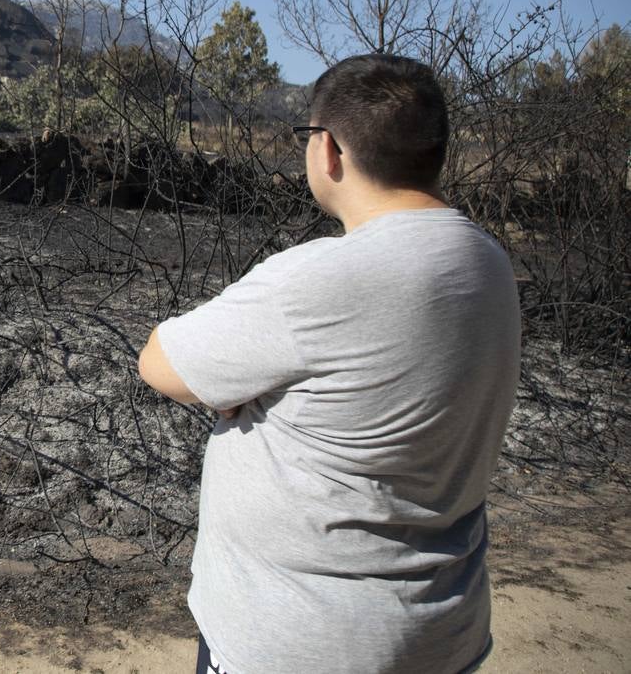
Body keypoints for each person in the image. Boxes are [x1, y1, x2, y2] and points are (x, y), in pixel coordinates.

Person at [137, 54, 521, 674]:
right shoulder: (488, 264)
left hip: (302, 639)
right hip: (440, 628)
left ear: (331, 150)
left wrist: (244, 395)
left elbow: (159, 362)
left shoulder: (321, 278)